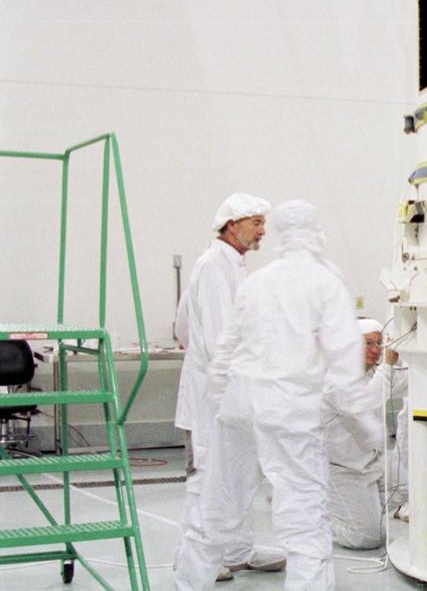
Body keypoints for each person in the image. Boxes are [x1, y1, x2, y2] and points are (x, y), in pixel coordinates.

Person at [174, 200, 382, 591]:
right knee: (305, 518)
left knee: (217, 505)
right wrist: (369, 426)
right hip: (285, 409)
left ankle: (189, 583)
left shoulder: (258, 279)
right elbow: (343, 363)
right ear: (316, 234)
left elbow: (224, 349)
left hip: (238, 404)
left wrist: (221, 402)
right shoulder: (325, 279)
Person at [173, 193, 284, 582]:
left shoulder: (234, 266)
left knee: (239, 472)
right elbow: (221, 335)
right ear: (232, 224)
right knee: (209, 475)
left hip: (233, 393)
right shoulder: (212, 266)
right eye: (256, 222)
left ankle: (237, 550)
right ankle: (200, 559)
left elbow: (182, 326)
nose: (263, 230)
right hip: (214, 396)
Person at [325, 317, 406, 549]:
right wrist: (388, 366)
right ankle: (321, 518)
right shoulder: (335, 378)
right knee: (369, 538)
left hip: (371, 464)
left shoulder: (373, 374)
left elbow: (406, 379)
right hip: (342, 470)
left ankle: (358, 509)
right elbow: (365, 401)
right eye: (367, 343)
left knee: (412, 489)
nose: (374, 350)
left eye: (379, 344)